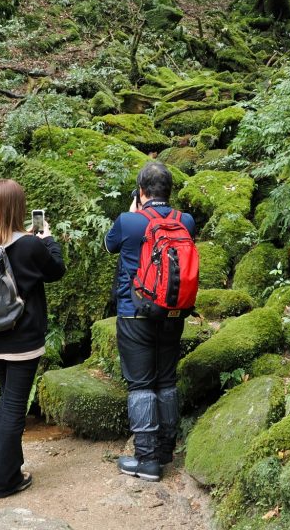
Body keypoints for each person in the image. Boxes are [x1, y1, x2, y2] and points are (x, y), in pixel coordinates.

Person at [0, 179, 65, 498]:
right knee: (14, 407)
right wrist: (49, 239)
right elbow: (56, 270)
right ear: (19, 208)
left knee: (6, 403)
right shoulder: (28, 244)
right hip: (22, 339)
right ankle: (2, 483)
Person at [104, 161, 196, 482]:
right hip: (173, 314)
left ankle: (146, 461)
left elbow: (109, 244)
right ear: (169, 191)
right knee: (166, 380)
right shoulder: (186, 220)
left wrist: (135, 209)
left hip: (135, 314)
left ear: (141, 191)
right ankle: (166, 450)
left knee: (141, 385)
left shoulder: (128, 221)